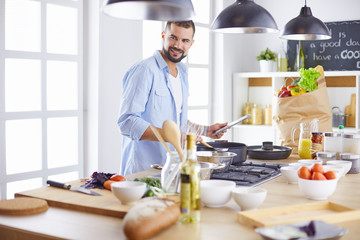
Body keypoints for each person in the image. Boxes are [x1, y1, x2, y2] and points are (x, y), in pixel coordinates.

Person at [118, 20, 227, 176]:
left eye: (185, 40)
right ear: (163, 36)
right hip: (142, 172)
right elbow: (127, 122)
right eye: (173, 37)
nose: (178, 45)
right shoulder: (144, 70)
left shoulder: (182, 73)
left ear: (191, 43)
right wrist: (173, 137)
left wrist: (205, 130)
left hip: (173, 169)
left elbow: (176, 121)